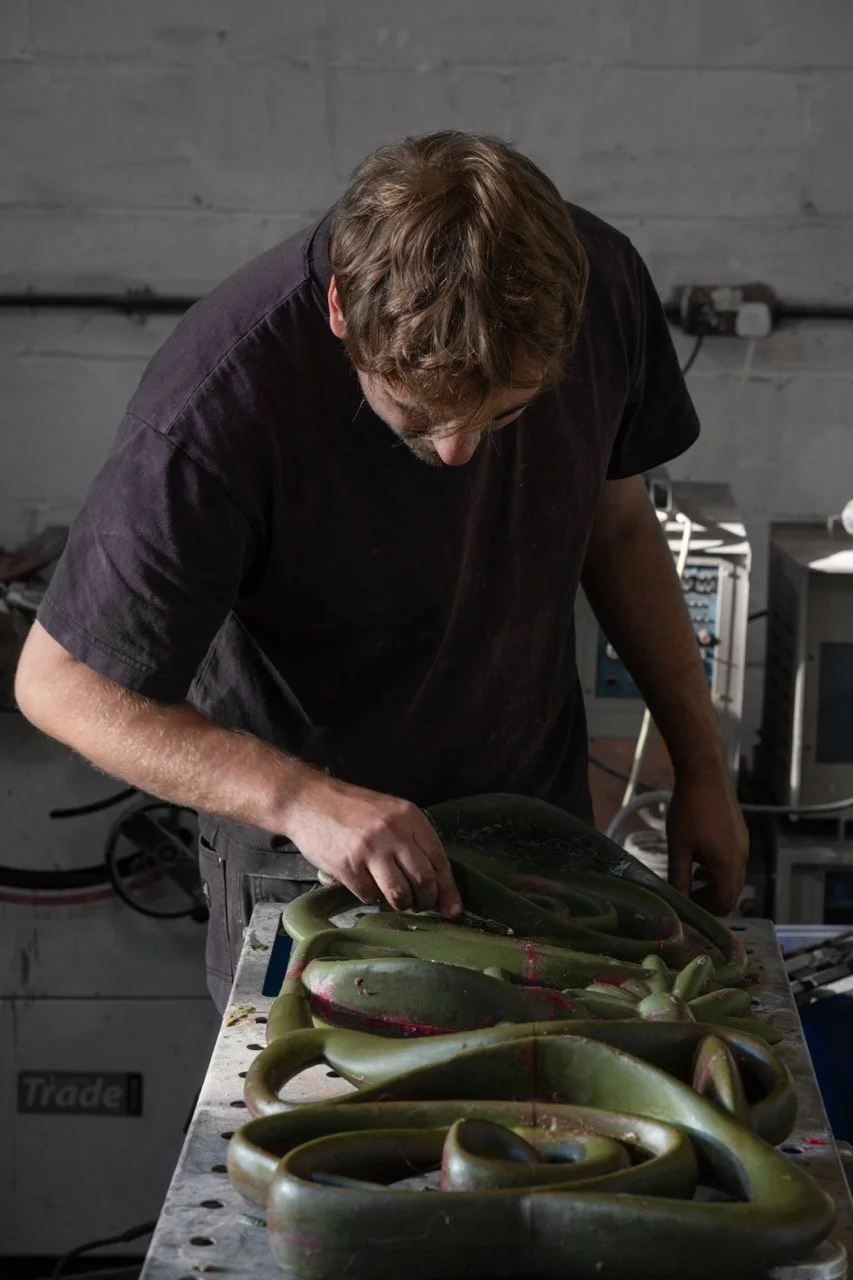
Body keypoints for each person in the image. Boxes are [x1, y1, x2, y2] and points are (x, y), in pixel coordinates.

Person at [15, 131, 748, 1013]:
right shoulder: (218, 401)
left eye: (505, 415)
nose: (456, 451)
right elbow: (58, 685)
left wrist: (703, 771)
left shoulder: (598, 285)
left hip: (535, 840)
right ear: (339, 311)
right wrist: (299, 798)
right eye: (415, 413)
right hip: (314, 870)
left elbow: (619, 528)